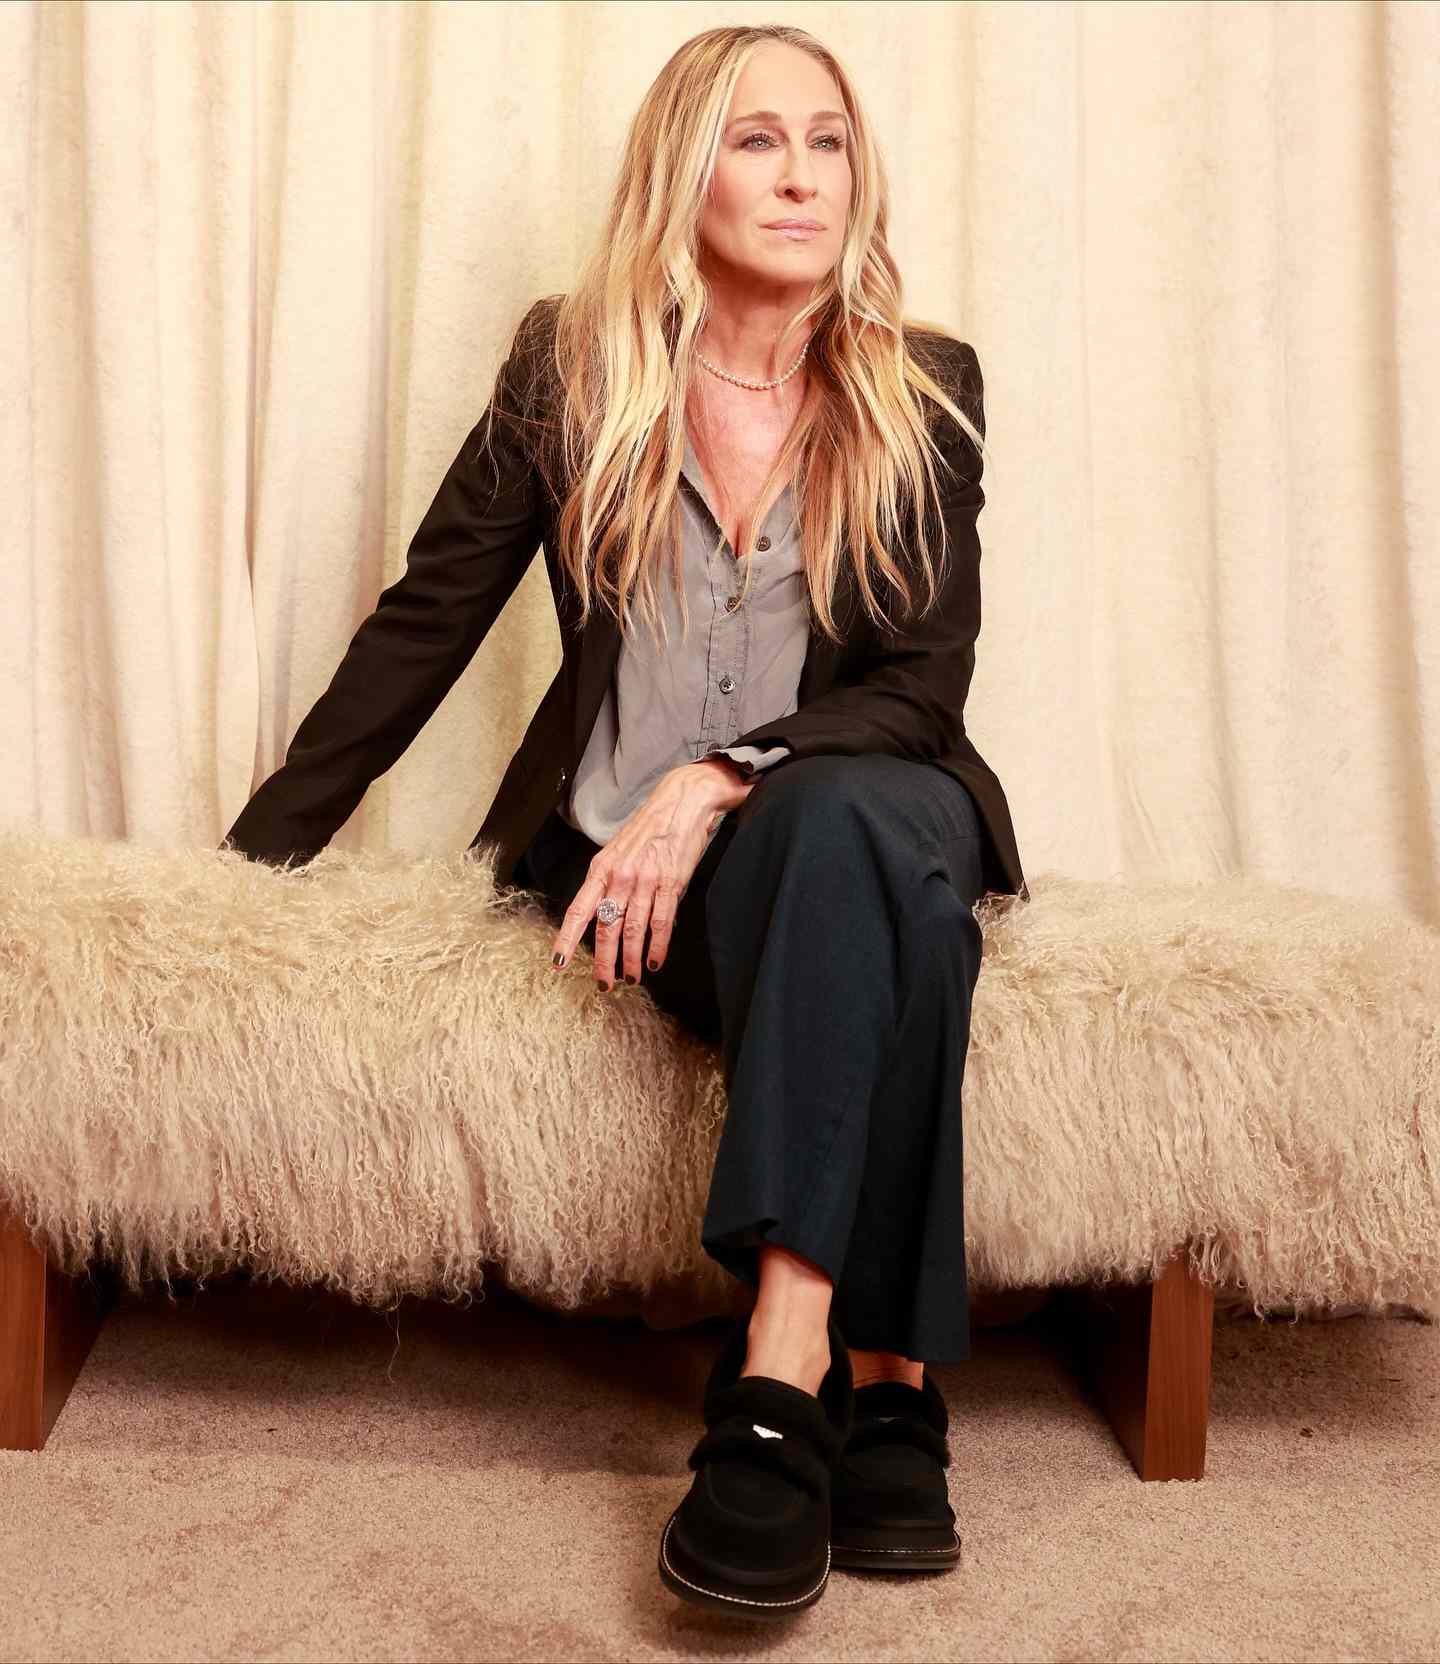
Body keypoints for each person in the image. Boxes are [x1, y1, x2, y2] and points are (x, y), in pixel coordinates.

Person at [222, 22, 1028, 1622]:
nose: (802, 177)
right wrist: (250, 862)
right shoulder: (572, 369)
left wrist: (723, 770)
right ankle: (896, 1393)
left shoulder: (925, 387)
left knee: (845, 820)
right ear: (682, 171)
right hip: (657, 876)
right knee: (910, 926)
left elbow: (921, 687)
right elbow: (428, 619)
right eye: (757, 141)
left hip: (863, 798)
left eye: (829, 142)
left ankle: (780, 1369)